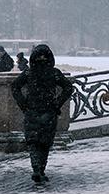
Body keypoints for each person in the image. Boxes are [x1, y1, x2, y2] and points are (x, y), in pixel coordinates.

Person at [10, 43, 74, 184]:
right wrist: (57, 103)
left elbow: (15, 86)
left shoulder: (29, 73)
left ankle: (36, 169)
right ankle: (41, 170)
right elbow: (68, 87)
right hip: (49, 112)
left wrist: (23, 104)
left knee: (33, 143)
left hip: (32, 111)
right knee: (45, 143)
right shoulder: (54, 73)